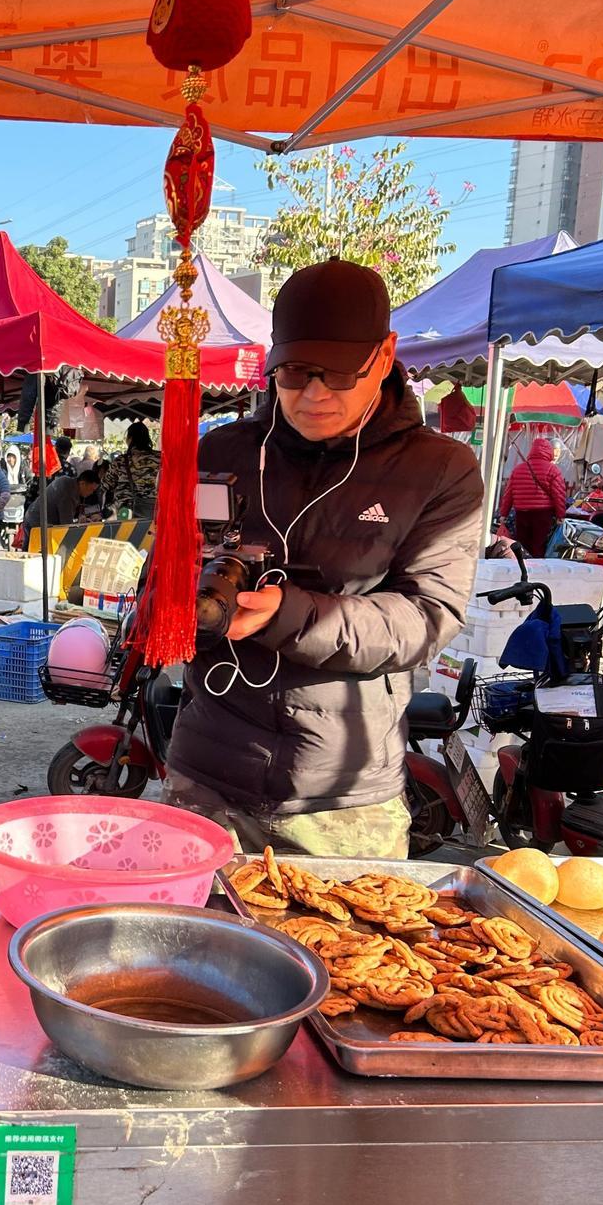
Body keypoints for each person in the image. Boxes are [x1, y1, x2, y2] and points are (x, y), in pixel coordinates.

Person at [165, 258, 483, 859]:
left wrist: (288, 615)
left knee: (345, 952)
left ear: (384, 356)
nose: (313, 394)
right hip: (206, 775)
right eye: (294, 373)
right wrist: (176, 608)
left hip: (341, 798)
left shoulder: (440, 469)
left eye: (338, 375)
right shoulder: (222, 451)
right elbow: (165, 570)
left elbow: (426, 617)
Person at [499, 434, 567, 558]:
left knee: (522, 543)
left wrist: (503, 513)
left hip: (521, 513)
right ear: (549, 452)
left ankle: (520, 568)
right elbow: (559, 495)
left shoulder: (518, 469)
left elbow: (508, 494)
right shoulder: (553, 470)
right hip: (543, 514)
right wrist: (560, 515)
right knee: (538, 545)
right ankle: (535, 570)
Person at [22, 466, 102, 532]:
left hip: (34, 519)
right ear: (82, 483)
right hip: (36, 523)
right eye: (91, 489)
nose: (91, 493)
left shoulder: (67, 481)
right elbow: (66, 525)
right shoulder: (68, 491)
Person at [113, 421, 161, 520]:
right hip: (155, 510)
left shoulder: (121, 461)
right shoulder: (160, 458)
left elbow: (106, 484)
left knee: (124, 535)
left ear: (130, 439)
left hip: (125, 512)